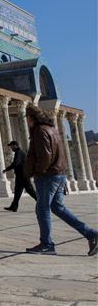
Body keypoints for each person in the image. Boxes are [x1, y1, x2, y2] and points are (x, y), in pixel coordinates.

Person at [23, 105, 98, 256]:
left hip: (47, 176)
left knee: (42, 209)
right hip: (58, 174)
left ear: (31, 118)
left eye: (27, 119)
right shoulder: (51, 129)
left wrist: (38, 171)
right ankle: (92, 234)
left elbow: (45, 155)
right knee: (57, 207)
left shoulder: (40, 131)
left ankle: (47, 244)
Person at [3, 140, 37, 212]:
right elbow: (15, 163)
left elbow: (15, 163)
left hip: (23, 175)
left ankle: (42, 203)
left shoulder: (19, 152)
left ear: (15, 145)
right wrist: (7, 169)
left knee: (30, 190)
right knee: (17, 191)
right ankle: (14, 206)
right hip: (20, 175)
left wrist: (7, 169)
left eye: (11, 146)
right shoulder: (18, 152)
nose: (11, 148)